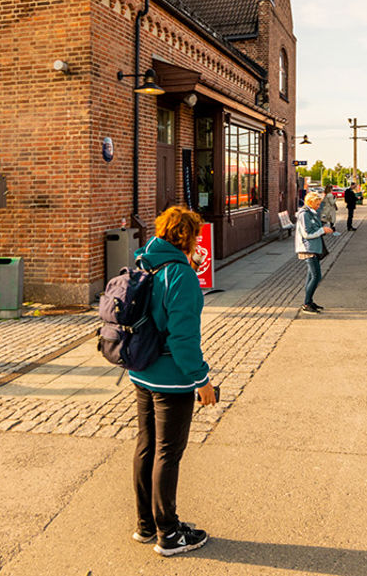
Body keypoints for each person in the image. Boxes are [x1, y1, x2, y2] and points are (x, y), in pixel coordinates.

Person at [129, 205, 217, 557]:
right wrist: (202, 379)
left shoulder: (145, 262)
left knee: (146, 446)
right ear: (189, 236)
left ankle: (146, 525)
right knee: (168, 452)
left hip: (141, 369)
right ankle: (169, 533)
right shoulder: (180, 275)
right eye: (196, 234)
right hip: (171, 379)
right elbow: (183, 339)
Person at [294, 191, 332, 314]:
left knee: (311, 276)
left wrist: (323, 228)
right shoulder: (305, 214)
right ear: (310, 202)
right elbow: (307, 234)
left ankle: (309, 301)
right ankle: (306, 303)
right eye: (317, 204)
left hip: (313, 248)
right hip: (308, 248)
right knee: (316, 276)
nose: (318, 206)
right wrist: (322, 230)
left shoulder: (311, 213)